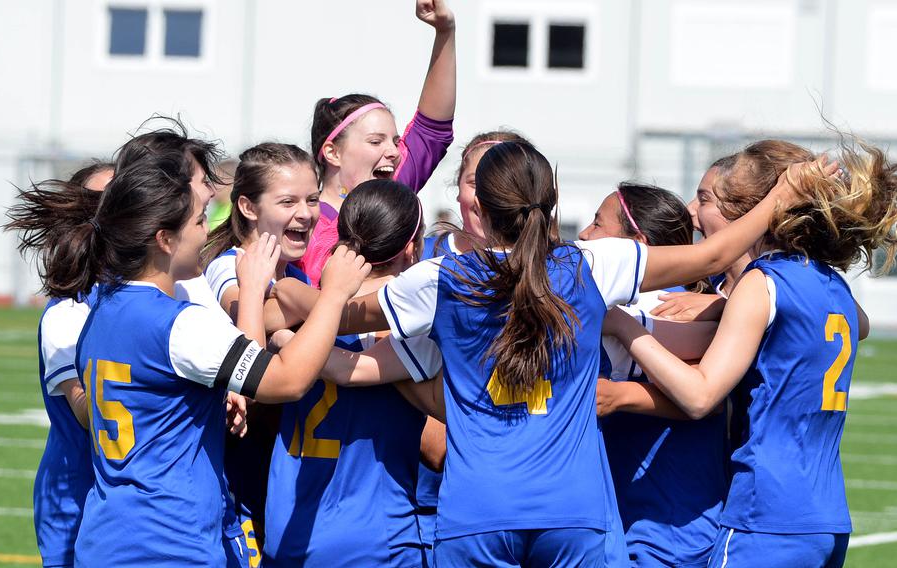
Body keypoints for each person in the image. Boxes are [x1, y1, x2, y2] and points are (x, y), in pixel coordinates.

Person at [290, 139, 816, 566]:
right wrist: (782, 194)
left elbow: (345, 314)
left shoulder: (440, 278)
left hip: (477, 511)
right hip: (574, 512)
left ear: (480, 205)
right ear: (554, 198)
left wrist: (283, 297)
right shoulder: (592, 265)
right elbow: (715, 253)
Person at [35, 126, 370, 566]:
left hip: (109, 536)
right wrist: (334, 296)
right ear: (164, 239)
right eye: (197, 222)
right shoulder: (177, 324)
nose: (206, 231)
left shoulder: (103, 307)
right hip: (169, 541)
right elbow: (287, 380)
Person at [604, 140, 894, 567]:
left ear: (752, 213)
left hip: (766, 517)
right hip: (827, 519)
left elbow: (700, 395)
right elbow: (859, 325)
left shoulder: (764, 282)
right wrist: (726, 305)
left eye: (706, 199)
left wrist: (624, 327)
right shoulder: (831, 284)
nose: (692, 210)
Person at [265, 179, 436, 566]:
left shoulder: (293, 310)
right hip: (378, 542)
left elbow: (254, 325)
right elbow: (439, 449)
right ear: (412, 249)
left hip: (288, 532)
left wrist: (284, 331)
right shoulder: (416, 326)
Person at [581, 182, 728, 567]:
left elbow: (707, 398)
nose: (584, 234)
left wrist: (622, 395)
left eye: (597, 223)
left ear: (637, 245)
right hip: (629, 513)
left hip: (670, 520)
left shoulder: (666, 304)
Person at [202, 142, 321, 561]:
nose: (304, 213)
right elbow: (248, 370)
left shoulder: (295, 270)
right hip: (236, 470)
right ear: (249, 208)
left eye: (312, 199)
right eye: (287, 201)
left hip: (275, 466)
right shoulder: (230, 265)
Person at [299, 0, 456, 286]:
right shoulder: (301, 219)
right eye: (376, 141)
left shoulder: (392, 194)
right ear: (332, 152)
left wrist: (445, 32)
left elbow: (433, 129)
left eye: (395, 141)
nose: (394, 152)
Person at [4, 161, 113, 567]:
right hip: (77, 495)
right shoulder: (67, 312)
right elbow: (85, 411)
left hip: (121, 496)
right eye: (106, 198)